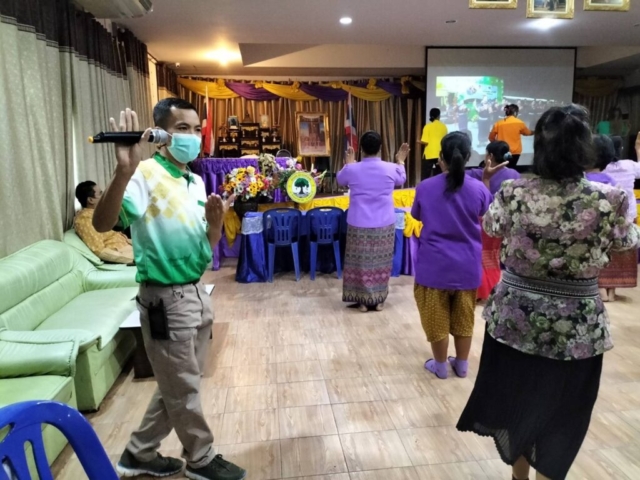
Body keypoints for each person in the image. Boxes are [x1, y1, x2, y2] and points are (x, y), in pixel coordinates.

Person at [457, 105, 640, 480]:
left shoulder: (513, 192)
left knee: (517, 404)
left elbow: (491, 226)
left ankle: (519, 477)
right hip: (577, 330)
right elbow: (627, 242)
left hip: (514, 323)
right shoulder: (611, 200)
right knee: (564, 413)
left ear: (539, 146)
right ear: (585, 146)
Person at [93, 99, 246, 480]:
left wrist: (216, 223)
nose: (192, 137)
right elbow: (102, 223)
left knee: (179, 383)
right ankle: (201, 458)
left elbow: (206, 247)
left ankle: (139, 453)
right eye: (182, 128)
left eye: (196, 129)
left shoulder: (195, 181)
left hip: (196, 292)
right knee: (183, 387)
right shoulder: (144, 174)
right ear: (161, 134)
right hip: (165, 298)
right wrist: (123, 172)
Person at [411, 132, 498, 379]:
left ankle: (439, 366)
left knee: (436, 319)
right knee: (464, 318)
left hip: (434, 267)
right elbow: (488, 211)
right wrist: (485, 180)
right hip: (467, 267)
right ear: (468, 157)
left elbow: (416, 216)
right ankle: (461, 366)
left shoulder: (425, 187)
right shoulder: (478, 188)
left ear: (441, 157)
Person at [337, 131, 408, 312]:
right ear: (380, 148)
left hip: (358, 223)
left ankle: (362, 301)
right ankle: (379, 300)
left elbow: (340, 179)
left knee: (359, 263)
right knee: (381, 263)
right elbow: (402, 179)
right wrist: (400, 161)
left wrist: (348, 164)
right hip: (384, 223)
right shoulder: (391, 168)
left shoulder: (352, 169)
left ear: (361, 149)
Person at [466, 141, 521, 300]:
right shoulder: (515, 174)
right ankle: (490, 290)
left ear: (489, 156)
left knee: (480, 257)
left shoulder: (476, 174)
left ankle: (477, 291)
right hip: (505, 222)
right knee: (493, 258)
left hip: (483, 221)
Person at [599, 131, 640, 301]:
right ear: (621, 149)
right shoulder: (630, 165)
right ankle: (612, 290)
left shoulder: (600, 167)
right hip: (627, 215)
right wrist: (638, 150)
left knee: (602, 249)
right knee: (621, 251)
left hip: (604, 214)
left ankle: (602, 288)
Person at [74, 180, 133, 264]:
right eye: (100, 193)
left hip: (127, 247)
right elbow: (99, 250)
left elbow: (121, 239)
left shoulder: (97, 214)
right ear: (91, 200)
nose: (105, 196)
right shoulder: (84, 219)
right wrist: (133, 259)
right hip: (122, 253)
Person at [489, 104, 533, 168]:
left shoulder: (498, 123)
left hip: (502, 151)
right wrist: (536, 131)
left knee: (502, 169)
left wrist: (497, 146)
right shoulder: (520, 123)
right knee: (511, 168)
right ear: (515, 112)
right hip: (515, 152)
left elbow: (491, 138)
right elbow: (527, 133)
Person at [419, 108, 448, 180]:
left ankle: (425, 186)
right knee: (439, 175)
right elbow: (445, 140)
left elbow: (425, 141)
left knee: (425, 176)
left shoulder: (427, 126)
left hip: (429, 154)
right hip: (440, 154)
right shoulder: (444, 127)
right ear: (439, 116)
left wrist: (418, 141)